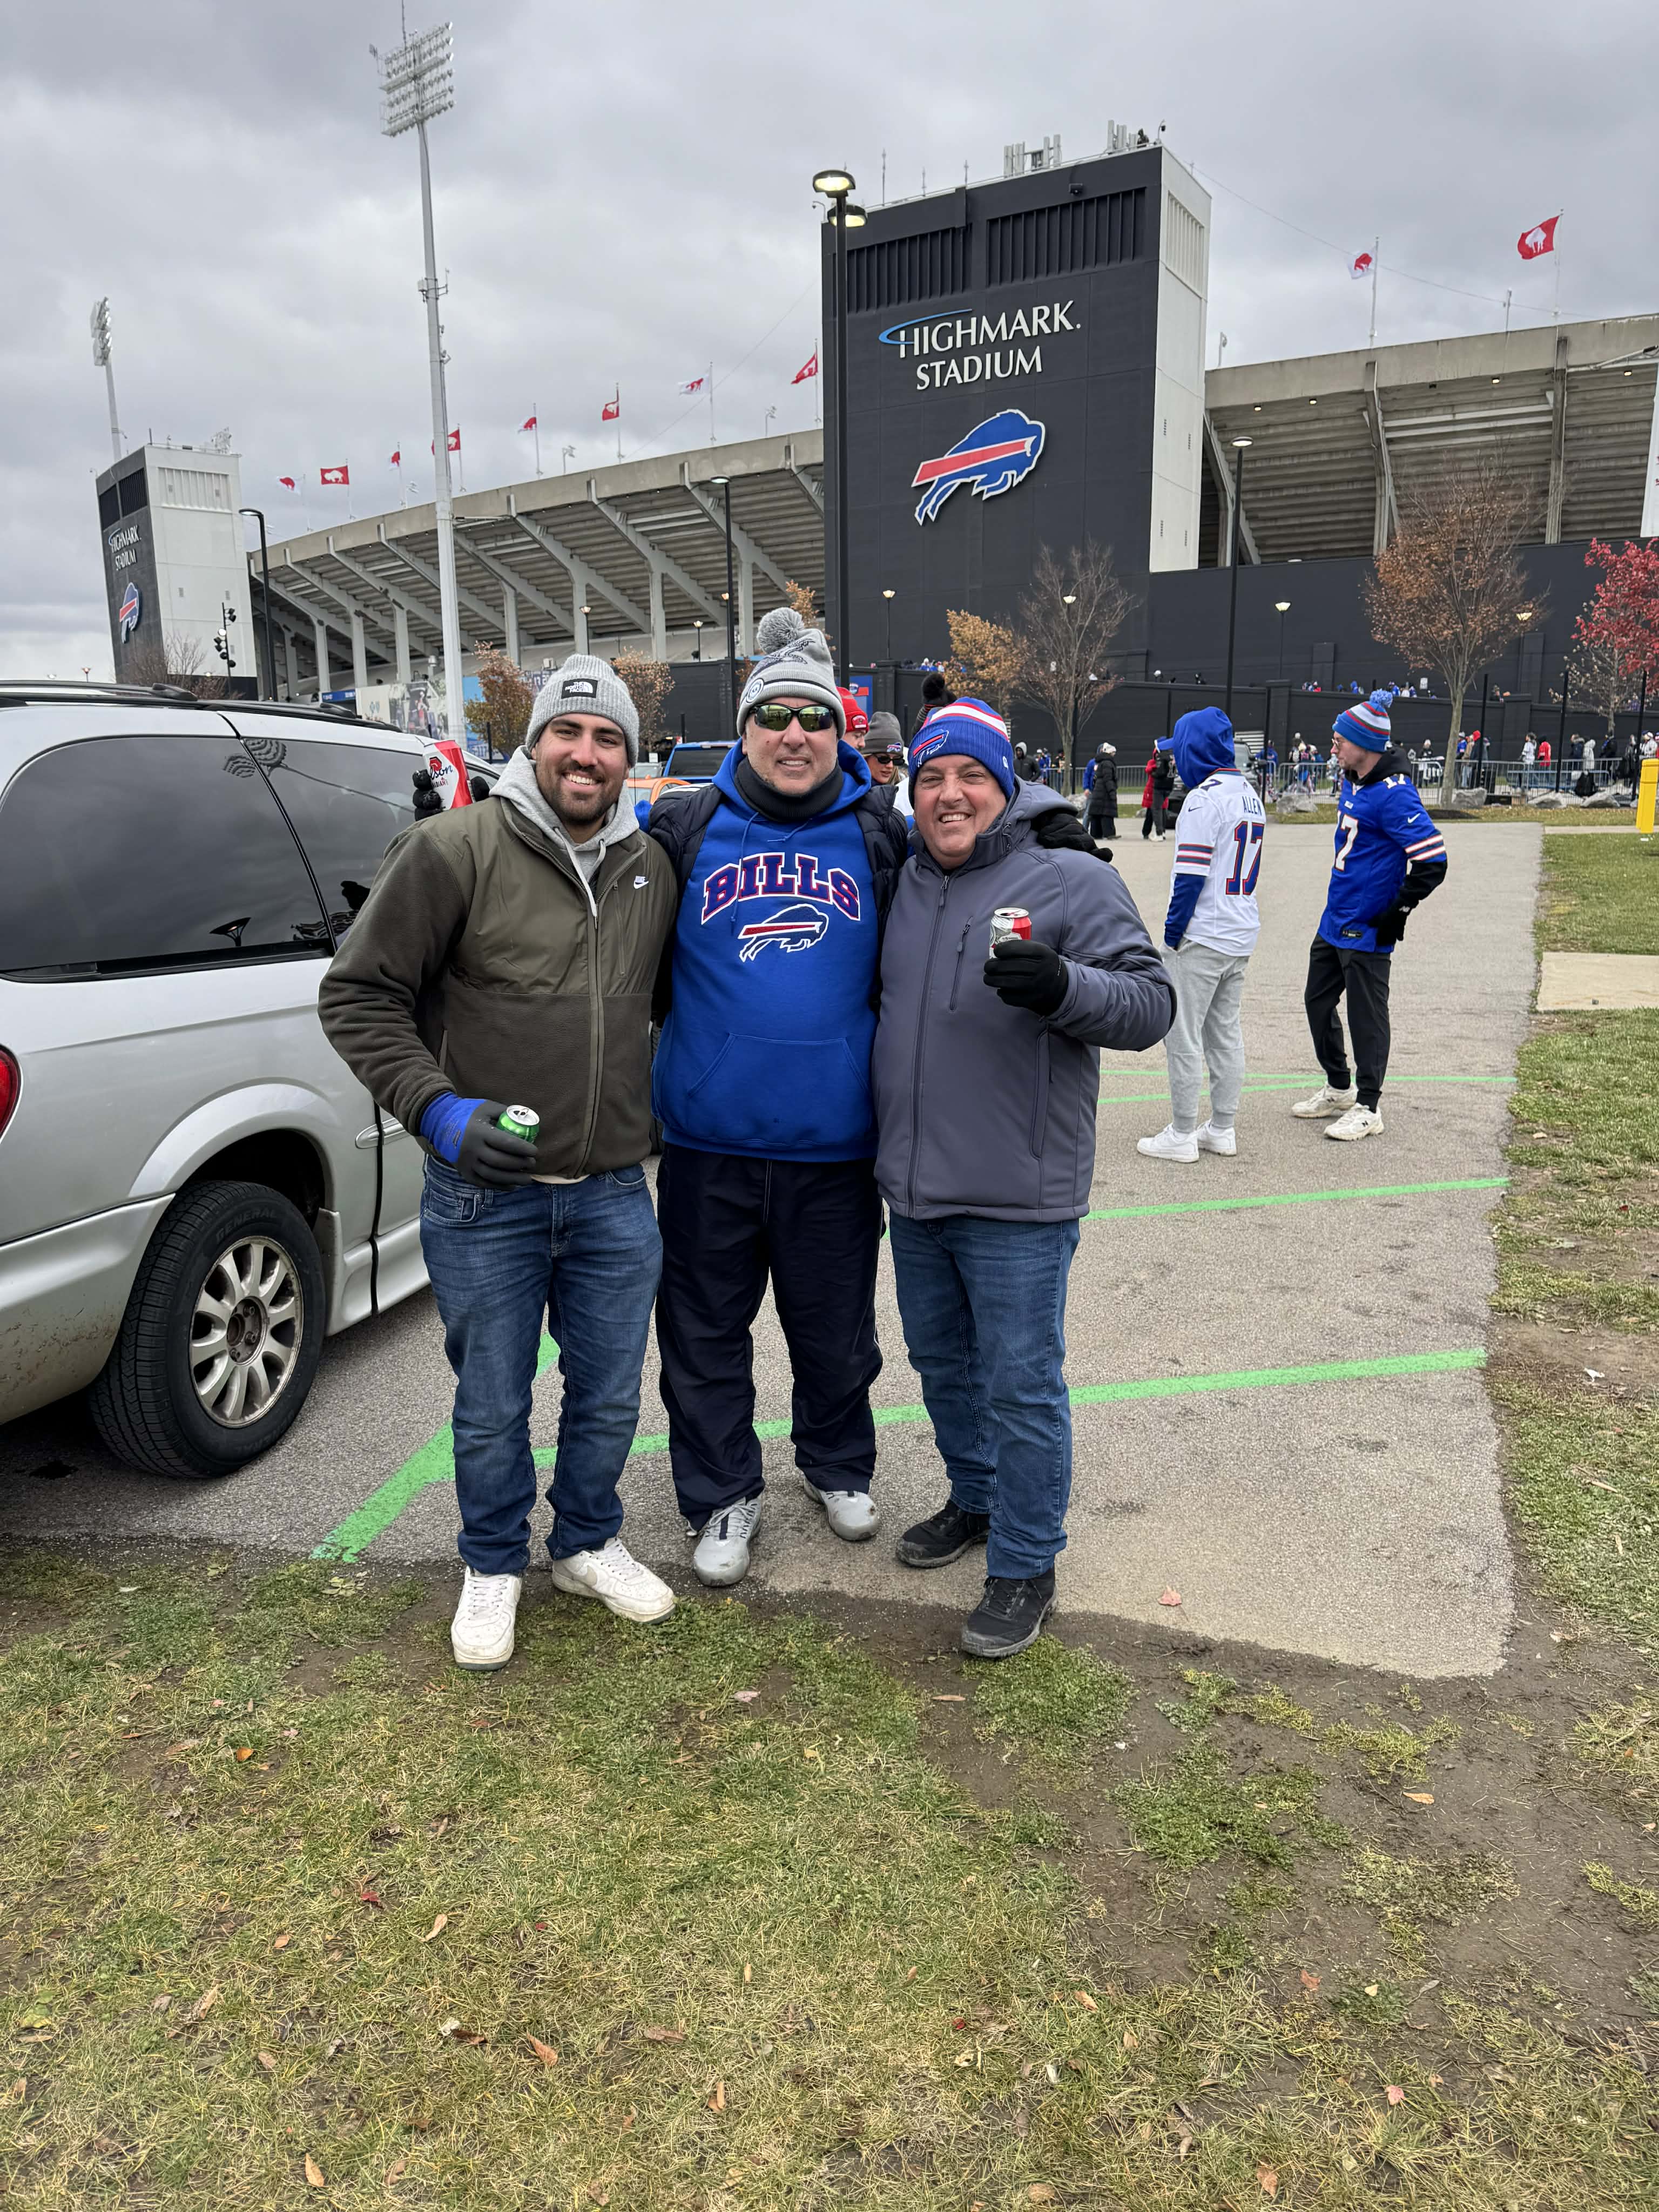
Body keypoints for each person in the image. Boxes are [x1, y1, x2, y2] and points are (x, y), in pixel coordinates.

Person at [318, 655, 680, 1671]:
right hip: (486, 1199)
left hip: (612, 1192)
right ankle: (491, 1560)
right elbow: (358, 995)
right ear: (534, 744)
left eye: (608, 738)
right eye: (569, 732)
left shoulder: (650, 870)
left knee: (609, 1394)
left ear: (628, 759)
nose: (586, 754)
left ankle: (586, 1542)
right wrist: (437, 1111)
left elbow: (652, 1008)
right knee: (491, 1403)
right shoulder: (452, 851)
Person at [871, 700, 1175, 1657]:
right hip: (915, 1187)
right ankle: (977, 1496)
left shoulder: (1070, 877)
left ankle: (1026, 1559)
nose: (949, 794)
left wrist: (1064, 987)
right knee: (940, 1364)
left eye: (971, 776)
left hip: (1018, 1193)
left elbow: (1151, 1004)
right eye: (931, 778)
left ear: (1005, 786)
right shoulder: (904, 877)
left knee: (1020, 1383)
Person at [1293, 691, 1448, 1143]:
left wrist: (1397, 911)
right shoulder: (1352, 779)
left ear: (1364, 744)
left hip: (1368, 925)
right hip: (1334, 916)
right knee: (1317, 1001)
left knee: (1367, 1016)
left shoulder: (1394, 796)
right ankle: (1339, 1088)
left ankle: (1369, 1106)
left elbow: (1434, 862)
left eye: (1340, 740)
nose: (1333, 747)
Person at [1136, 710, 1264, 1164]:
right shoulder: (1249, 794)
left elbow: (1190, 877)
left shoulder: (1201, 800)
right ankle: (1222, 1127)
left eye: (1180, 751)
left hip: (1203, 933)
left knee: (1183, 1035)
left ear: (1195, 750)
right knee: (1224, 1032)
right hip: (1238, 930)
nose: (1176, 762)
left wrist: (1172, 936)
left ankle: (1182, 1132)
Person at [862, 712, 912, 818]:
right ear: (866, 757)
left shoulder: (907, 793)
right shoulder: (850, 793)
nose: (890, 766)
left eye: (896, 760)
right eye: (884, 759)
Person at [1084, 742, 1118, 845]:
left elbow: (1096, 778)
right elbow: (1108, 779)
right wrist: (1112, 791)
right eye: (1113, 753)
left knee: (1096, 813)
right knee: (1106, 813)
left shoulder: (1101, 763)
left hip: (1098, 791)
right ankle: (1108, 833)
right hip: (1104, 792)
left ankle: (1096, 833)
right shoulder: (1108, 763)